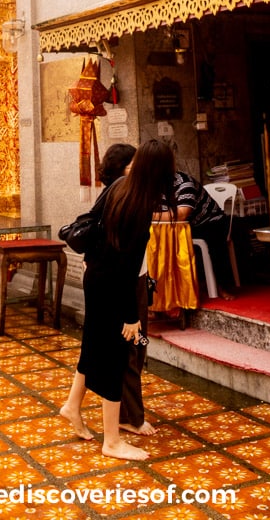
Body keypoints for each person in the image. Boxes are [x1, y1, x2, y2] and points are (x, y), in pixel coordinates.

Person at [60, 138, 176, 461]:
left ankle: (72, 405)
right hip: (113, 287)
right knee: (112, 359)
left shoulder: (119, 186)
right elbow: (127, 268)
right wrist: (130, 316)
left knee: (93, 347)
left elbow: (92, 221)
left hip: (94, 277)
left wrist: (92, 260)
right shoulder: (141, 205)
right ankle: (112, 440)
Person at [96, 143, 155, 438]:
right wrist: (130, 311)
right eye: (134, 163)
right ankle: (131, 417)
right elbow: (123, 255)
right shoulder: (122, 197)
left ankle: (124, 411)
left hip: (137, 280)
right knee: (131, 347)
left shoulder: (127, 195)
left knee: (137, 346)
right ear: (123, 169)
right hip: (126, 284)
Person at [156, 169, 237, 301]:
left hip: (209, 221)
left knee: (214, 239)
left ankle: (223, 285)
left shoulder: (184, 182)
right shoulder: (151, 185)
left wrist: (148, 215)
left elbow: (182, 214)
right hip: (182, 226)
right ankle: (170, 290)